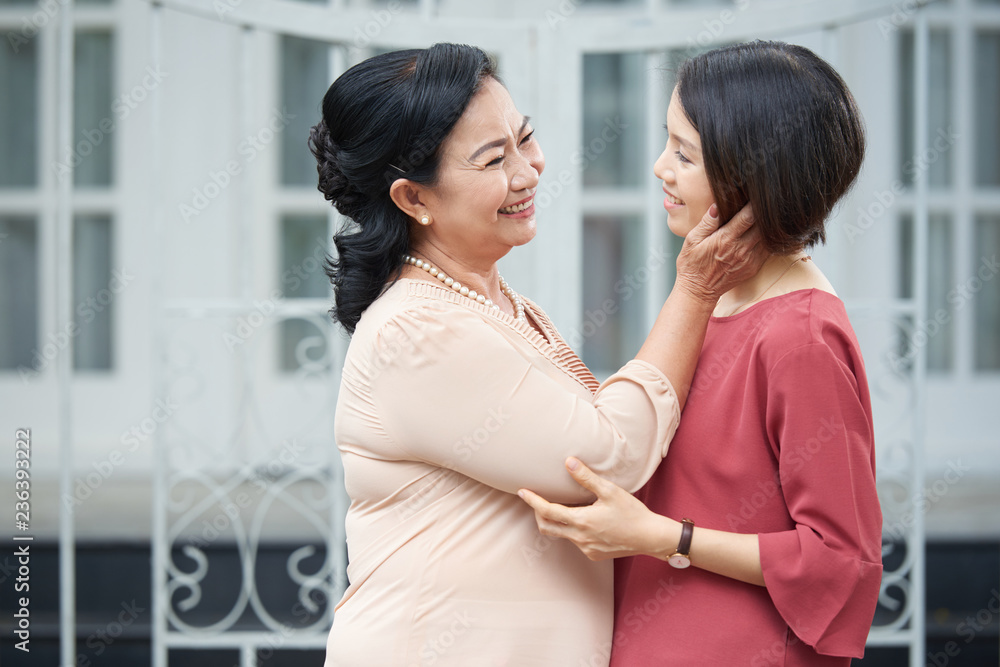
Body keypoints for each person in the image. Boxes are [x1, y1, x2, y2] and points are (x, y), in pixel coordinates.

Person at [309, 43, 764, 665]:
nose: (528, 171)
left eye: (524, 139)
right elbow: (606, 460)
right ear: (414, 199)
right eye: (494, 159)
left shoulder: (493, 303)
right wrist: (695, 288)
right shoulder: (415, 333)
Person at [520, 40, 883, 666]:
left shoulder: (800, 336)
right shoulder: (714, 293)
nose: (660, 167)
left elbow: (841, 559)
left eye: (684, 153)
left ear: (753, 174)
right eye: (668, 143)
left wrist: (664, 537)